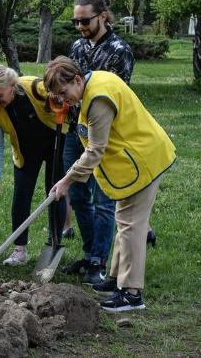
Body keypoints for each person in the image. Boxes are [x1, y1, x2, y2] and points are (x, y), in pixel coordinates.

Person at [45, 56, 175, 312]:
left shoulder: (98, 99)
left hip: (144, 160)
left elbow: (95, 151)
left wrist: (66, 180)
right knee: (125, 221)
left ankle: (132, 294)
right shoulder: (94, 85)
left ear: (77, 79)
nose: (62, 99)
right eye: (57, 95)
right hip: (134, 161)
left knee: (132, 226)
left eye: (63, 92)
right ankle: (117, 279)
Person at [60, 0, 135, 286]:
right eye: (76, 22)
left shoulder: (119, 50)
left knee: (104, 200)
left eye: (85, 21)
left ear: (103, 16)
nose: (80, 26)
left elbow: (116, 95)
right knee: (78, 195)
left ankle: (99, 261)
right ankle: (90, 252)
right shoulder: (76, 47)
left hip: (106, 135)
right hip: (74, 130)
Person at [0, 65, 66, 266]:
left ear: (12, 86)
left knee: (55, 193)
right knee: (21, 195)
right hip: (26, 150)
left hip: (56, 143)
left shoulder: (36, 88)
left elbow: (66, 100)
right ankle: (19, 251)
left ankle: (54, 243)